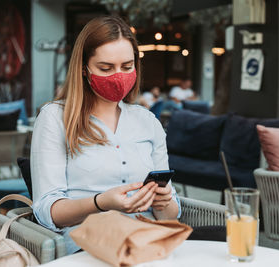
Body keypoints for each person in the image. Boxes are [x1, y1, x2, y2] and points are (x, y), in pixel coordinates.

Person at [30, 16, 181, 254]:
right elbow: (47, 211)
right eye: (106, 68)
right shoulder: (54, 118)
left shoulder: (147, 121)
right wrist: (100, 202)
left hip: (149, 241)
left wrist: (163, 202)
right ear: (83, 69)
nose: (118, 76)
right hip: (89, 247)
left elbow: (171, 214)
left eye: (127, 66)